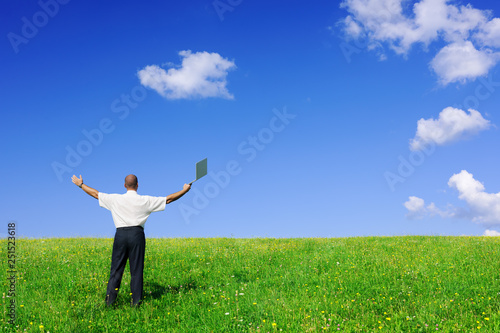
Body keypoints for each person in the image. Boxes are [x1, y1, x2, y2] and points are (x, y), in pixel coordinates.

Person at [71, 174, 191, 307]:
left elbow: (96, 194)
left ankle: (110, 303)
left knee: (116, 270)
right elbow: (168, 199)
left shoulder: (115, 199)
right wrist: (184, 190)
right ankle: (136, 303)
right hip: (137, 235)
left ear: (124, 185)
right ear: (138, 185)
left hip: (121, 235)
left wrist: (81, 185)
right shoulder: (145, 200)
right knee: (136, 270)